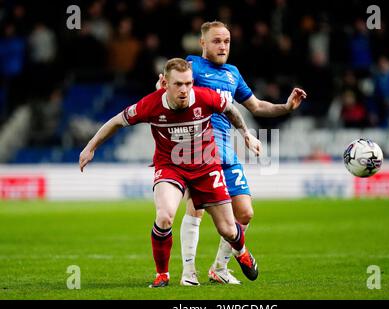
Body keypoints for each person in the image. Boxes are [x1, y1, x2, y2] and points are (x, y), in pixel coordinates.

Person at [79, 58, 262, 288]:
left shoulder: (205, 97)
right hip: (170, 166)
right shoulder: (151, 105)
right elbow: (117, 121)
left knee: (227, 229)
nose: (184, 89)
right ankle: (162, 275)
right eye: (178, 84)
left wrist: (246, 134)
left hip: (206, 166)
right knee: (165, 216)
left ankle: (241, 251)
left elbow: (231, 110)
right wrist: (90, 147)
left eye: (188, 83)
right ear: (164, 83)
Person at [158, 21, 307, 286]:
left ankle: (219, 268)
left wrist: (286, 107)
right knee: (196, 209)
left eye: (226, 41)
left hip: (226, 151)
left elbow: (257, 106)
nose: (223, 46)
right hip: (197, 150)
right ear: (203, 43)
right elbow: (169, 86)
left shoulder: (232, 74)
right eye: (216, 41)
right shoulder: (191, 65)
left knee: (245, 213)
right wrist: (160, 86)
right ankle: (188, 273)